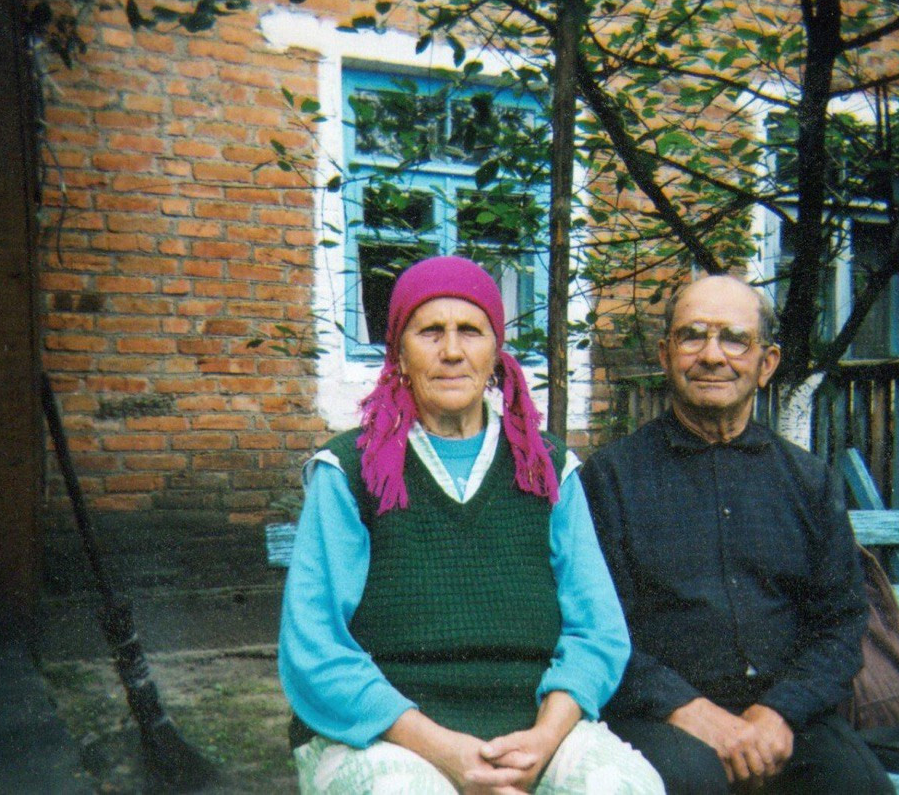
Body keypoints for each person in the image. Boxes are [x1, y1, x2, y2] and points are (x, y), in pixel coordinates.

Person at [279, 256, 662, 794]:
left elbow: (597, 632)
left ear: (496, 352)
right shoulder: (347, 472)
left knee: (624, 787)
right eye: (430, 331)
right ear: (399, 354)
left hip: (532, 725)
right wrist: (448, 755)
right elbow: (314, 650)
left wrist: (543, 742)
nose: (452, 351)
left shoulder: (547, 467)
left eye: (471, 331)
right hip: (387, 732)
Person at [580, 275, 894, 795]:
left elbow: (841, 624)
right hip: (660, 718)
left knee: (859, 785)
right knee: (695, 781)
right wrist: (688, 710)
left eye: (733, 339)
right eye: (692, 336)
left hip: (784, 717)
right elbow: (599, 627)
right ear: (666, 354)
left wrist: (778, 711)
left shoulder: (809, 481)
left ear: (766, 364)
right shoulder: (612, 478)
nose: (711, 355)